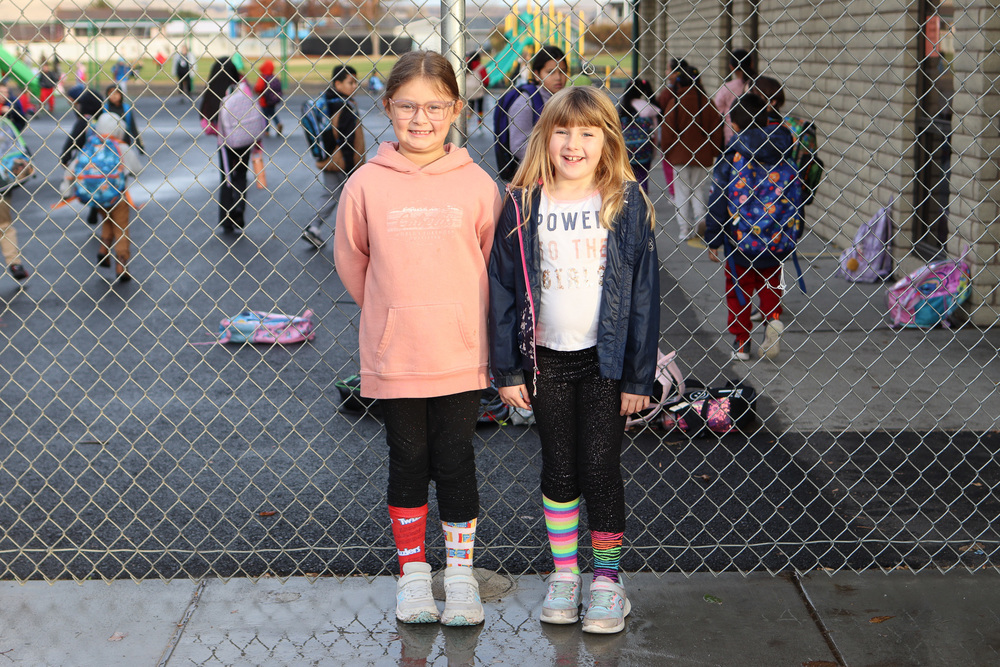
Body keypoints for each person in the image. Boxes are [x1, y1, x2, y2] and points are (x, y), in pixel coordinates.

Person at [334, 50, 501, 627]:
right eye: (407, 106)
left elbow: (488, 262)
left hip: (458, 353)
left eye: (434, 106)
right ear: (387, 108)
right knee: (406, 459)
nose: (421, 118)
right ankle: (412, 574)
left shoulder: (477, 185)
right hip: (396, 352)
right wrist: (390, 313)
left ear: (456, 108)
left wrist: (455, 317)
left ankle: (457, 576)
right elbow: (354, 262)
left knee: (455, 460)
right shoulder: (365, 185)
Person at [488, 86, 659, 634]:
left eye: (588, 132)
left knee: (600, 466)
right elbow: (502, 288)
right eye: (562, 130)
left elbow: (643, 297)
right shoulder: (521, 203)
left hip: (606, 364)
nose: (573, 143)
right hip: (546, 361)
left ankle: (607, 582)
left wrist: (639, 374)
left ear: (608, 139)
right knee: (559, 466)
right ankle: (565, 575)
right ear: (544, 136)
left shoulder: (626, 201)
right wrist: (508, 369)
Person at [703, 93, 802, 361]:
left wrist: (713, 238)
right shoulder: (784, 148)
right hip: (777, 236)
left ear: (734, 125)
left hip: (740, 239)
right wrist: (795, 233)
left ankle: (742, 342)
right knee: (772, 282)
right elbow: (797, 195)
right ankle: (772, 320)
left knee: (739, 288)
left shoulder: (733, 154)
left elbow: (718, 199)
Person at [61, 112, 143, 282]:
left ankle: (103, 250)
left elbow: (73, 168)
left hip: (97, 194)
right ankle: (121, 265)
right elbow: (137, 169)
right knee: (121, 227)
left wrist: (66, 190)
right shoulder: (121, 147)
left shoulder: (91, 146)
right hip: (117, 195)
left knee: (106, 220)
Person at [658, 59, 723, 241]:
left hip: (679, 155)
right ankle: (701, 219)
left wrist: (667, 151)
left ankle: (684, 229)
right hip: (702, 155)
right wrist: (714, 151)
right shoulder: (707, 103)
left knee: (682, 192)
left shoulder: (676, 103)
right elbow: (715, 128)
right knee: (698, 190)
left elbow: (668, 130)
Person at [301, 64, 365, 249]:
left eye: (356, 82)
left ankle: (314, 228)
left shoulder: (327, 102)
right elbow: (348, 140)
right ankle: (351, 238)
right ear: (337, 83)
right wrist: (351, 169)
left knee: (331, 194)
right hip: (343, 161)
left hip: (328, 158)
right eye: (350, 82)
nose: (354, 86)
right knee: (353, 199)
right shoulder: (344, 106)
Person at [198, 57, 257, 233]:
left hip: (224, 140)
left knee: (226, 177)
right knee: (241, 174)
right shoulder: (242, 87)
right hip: (244, 138)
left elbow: (204, 122)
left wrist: (219, 127)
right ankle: (239, 208)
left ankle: (226, 217)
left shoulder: (213, 89)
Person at [504, 46, 569, 177]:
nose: (558, 78)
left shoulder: (565, 99)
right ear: (537, 75)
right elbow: (517, 147)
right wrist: (554, 154)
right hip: (535, 174)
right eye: (550, 72)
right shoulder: (525, 103)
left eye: (562, 71)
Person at [617, 78, 658, 192]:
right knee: (643, 177)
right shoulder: (647, 108)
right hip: (644, 149)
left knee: (627, 178)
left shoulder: (622, 108)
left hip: (627, 150)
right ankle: (643, 202)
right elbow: (654, 131)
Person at [713, 48, 756, 144]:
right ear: (751, 64)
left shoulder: (726, 88)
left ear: (731, 67)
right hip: (757, 134)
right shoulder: (757, 85)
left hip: (732, 135)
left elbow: (716, 112)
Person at [101, 85, 144, 154]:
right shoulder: (104, 109)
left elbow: (133, 128)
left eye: (116, 93)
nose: (113, 95)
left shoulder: (126, 109)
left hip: (124, 142)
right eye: (111, 93)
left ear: (121, 94)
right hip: (108, 143)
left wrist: (139, 146)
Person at [253, 59, 283, 137]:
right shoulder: (273, 77)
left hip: (264, 101)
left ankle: (266, 131)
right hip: (272, 100)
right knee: (273, 113)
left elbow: (258, 88)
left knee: (265, 116)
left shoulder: (263, 77)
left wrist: (256, 90)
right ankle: (278, 123)